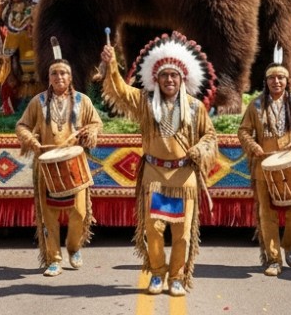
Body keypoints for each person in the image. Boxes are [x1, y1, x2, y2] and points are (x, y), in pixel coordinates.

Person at [92, 33, 217, 297]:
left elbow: (210, 137)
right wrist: (112, 66)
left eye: (174, 76)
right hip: (154, 174)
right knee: (154, 228)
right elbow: (121, 92)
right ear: (156, 79)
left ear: (182, 79)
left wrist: (200, 149)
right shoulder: (146, 104)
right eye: (164, 76)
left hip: (184, 176)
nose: (169, 80)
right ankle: (158, 273)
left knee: (182, 233)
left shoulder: (195, 108)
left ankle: (178, 277)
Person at [15, 52, 102, 276]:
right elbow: (22, 125)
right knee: (49, 217)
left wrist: (90, 131)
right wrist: (31, 139)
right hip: (47, 165)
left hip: (74, 163)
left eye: (63, 73)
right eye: (54, 73)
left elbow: (96, 123)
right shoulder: (38, 102)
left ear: (70, 77)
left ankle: (73, 247)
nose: (59, 77)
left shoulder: (83, 101)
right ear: (49, 77)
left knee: (80, 213)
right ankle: (54, 258)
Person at [238, 53, 291, 275]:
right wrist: (254, 146)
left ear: (287, 81)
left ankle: (289, 245)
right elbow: (243, 131)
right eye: (272, 78)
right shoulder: (255, 105)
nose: (276, 82)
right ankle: (273, 259)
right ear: (266, 81)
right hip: (264, 167)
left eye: (281, 78)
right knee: (267, 214)